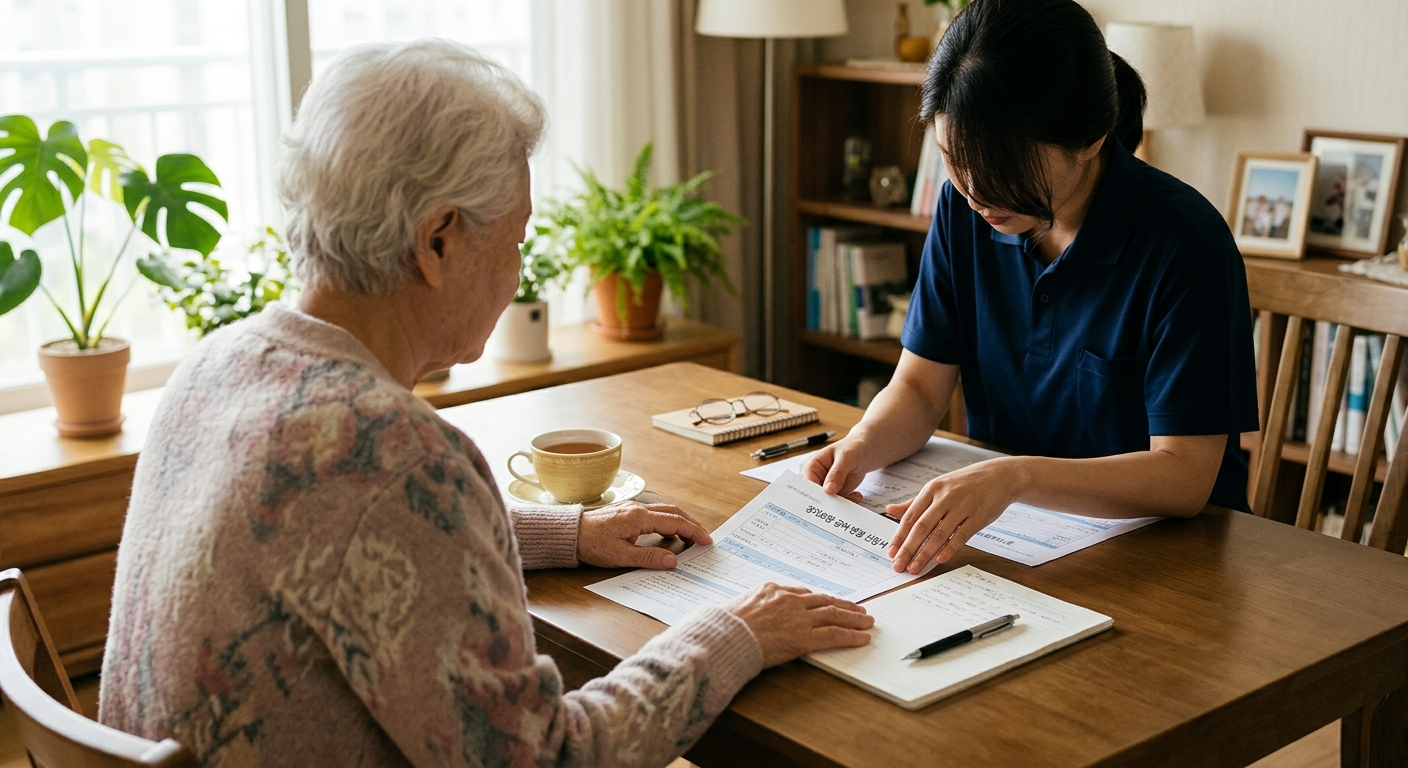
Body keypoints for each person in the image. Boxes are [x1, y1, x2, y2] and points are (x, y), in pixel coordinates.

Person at [99, 39, 872, 768]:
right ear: (437, 240)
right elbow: (546, 756)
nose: (516, 271)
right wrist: (734, 631)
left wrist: (566, 531)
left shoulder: (217, 364)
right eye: (517, 241)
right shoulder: (393, 453)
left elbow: (340, 544)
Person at [805, 0, 1258, 576]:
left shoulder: (1185, 244)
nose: (974, 193)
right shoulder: (965, 210)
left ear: (1090, 139)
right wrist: (863, 445)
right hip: (1017, 547)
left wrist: (1015, 476)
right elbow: (920, 387)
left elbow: (1185, 476)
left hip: (1174, 562)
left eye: (1000, 171)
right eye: (953, 160)